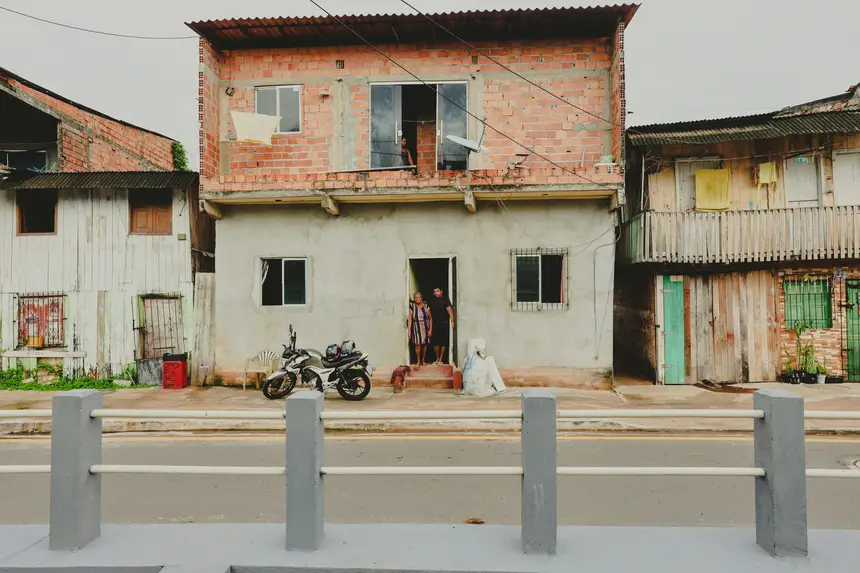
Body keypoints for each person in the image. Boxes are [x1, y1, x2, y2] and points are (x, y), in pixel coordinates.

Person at [429, 286, 454, 365]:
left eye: (437, 291)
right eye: (434, 291)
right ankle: (437, 358)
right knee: (435, 342)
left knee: (443, 342)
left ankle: (441, 359)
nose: (436, 293)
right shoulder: (432, 301)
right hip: (435, 323)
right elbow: (428, 311)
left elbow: (450, 311)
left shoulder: (445, 300)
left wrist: (452, 320)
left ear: (441, 291)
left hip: (444, 323)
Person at [408, 292, 432, 369]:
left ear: (421, 298)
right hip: (416, 327)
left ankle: (423, 360)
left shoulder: (426, 306)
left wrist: (430, 330)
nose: (417, 299)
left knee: (425, 345)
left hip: (425, 327)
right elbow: (410, 319)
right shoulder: (412, 307)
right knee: (417, 345)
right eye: (416, 297)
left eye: (419, 297)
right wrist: (409, 330)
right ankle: (418, 361)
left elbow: (431, 318)